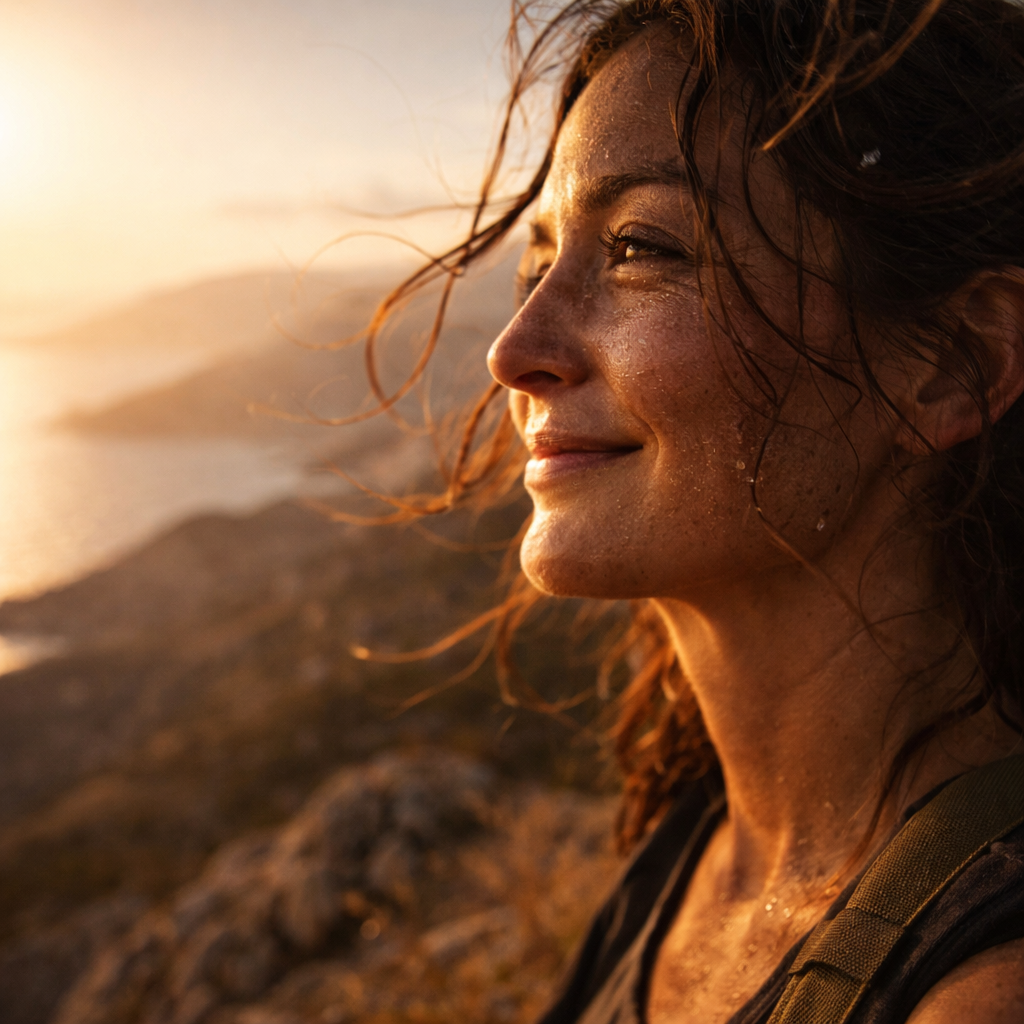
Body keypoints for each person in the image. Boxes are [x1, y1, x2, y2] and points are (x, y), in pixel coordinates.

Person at [360, 1, 1024, 1020]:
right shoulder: (700, 838)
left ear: (952, 363)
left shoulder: (978, 991)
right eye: (540, 263)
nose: (515, 349)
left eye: (641, 248)